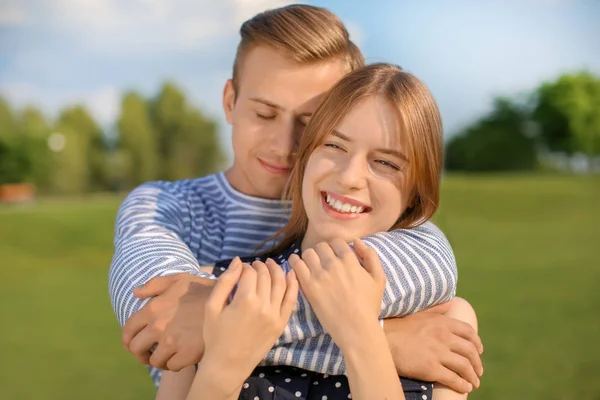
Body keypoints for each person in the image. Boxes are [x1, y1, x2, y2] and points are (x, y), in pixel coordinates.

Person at [109, 4, 483, 395]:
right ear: (229, 101)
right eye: (265, 114)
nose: (284, 144)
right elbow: (154, 322)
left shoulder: (354, 212)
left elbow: (432, 266)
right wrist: (387, 341)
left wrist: (218, 314)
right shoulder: (163, 206)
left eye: (309, 122)